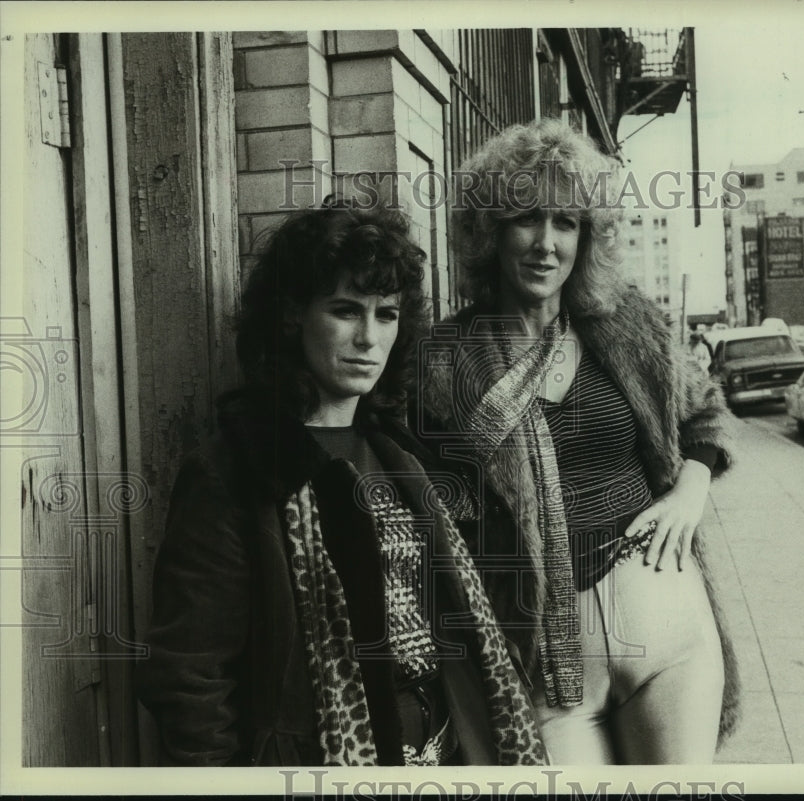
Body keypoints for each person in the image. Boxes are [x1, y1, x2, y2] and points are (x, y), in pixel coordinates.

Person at [136, 201, 547, 767]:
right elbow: (189, 677)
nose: (369, 338)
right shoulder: (237, 470)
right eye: (346, 311)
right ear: (292, 317)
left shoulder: (407, 455)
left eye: (386, 314)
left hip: (449, 756)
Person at [415, 120, 741, 764]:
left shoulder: (625, 324)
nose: (546, 243)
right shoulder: (444, 360)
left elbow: (704, 413)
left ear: (587, 236)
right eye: (525, 218)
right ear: (489, 230)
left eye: (565, 222)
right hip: (545, 666)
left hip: (668, 630)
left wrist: (690, 491)